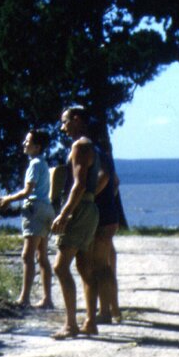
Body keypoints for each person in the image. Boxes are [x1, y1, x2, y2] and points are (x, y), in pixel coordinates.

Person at [50, 106, 107, 339]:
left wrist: (65, 213)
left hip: (80, 209)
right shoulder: (92, 146)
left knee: (60, 267)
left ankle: (71, 324)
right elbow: (105, 177)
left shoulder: (80, 146)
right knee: (84, 267)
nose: (62, 128)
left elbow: (79, 183)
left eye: (64, 122)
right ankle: (90, 322)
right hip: (89, 207)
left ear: (76, 119)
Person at [0, 129, 55, 309]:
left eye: (28, 141)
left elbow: (27, 191)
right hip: (46, 209)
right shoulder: (43, 163)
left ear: (37, 146)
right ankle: (47, 299)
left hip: (34, 210)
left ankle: (24, 298)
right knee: (42, 255)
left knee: (27, 255)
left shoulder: (34, 164)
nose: (24, 144)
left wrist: (8, 199)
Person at [91, 126, 122, 324]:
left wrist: (89, 196)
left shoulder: (96, 153)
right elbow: (115, 182)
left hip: (101, 214)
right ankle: (114, 308)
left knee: (100, 264)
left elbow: (108, 178)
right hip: (110, 212)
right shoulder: (106, 155)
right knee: (108, 263)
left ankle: (105, 311)